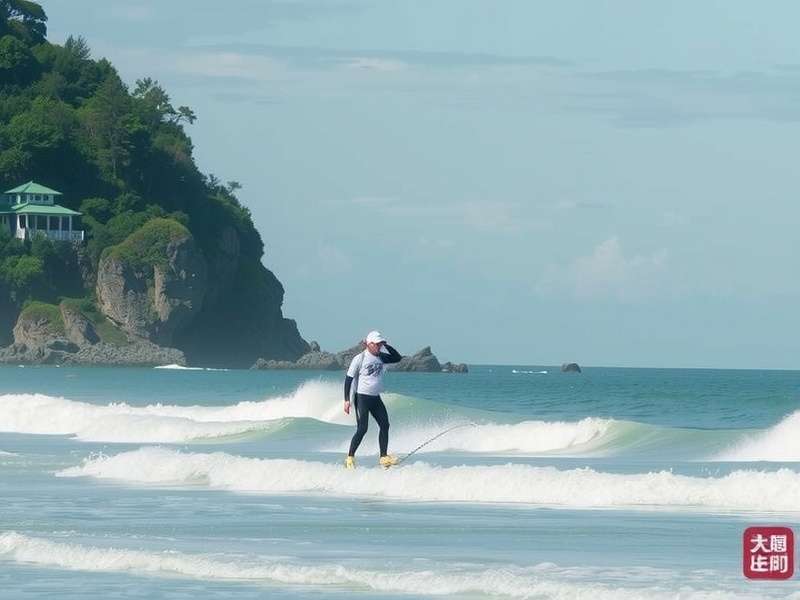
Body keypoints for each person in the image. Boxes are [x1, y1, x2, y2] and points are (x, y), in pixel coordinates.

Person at [343, 330, 403, 468]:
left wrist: (386, 345)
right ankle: (350, 458)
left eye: (380, 344)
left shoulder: (381, 356)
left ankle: (383, 457)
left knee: (385, 425)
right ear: (369, 344)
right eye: (376, 344)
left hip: (375, 398)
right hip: (362, 398)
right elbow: (348, 380)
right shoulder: (360, 358)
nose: (379, 347)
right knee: (362, 429)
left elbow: (397, 357)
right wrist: (347, 400)